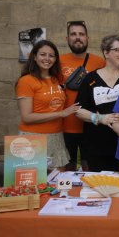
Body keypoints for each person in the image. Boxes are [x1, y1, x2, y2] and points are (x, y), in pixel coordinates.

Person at [75, 35, 119, 172]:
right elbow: (78, 110)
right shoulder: (90, 78)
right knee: (100, 186)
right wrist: (101, 118)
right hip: (97, 145)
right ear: (106, 52)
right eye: (118, 50)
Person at [16, 40, 81, 170]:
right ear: (34, 57)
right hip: (33, 138)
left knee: (57, 184)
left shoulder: (56, 79)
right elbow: (27, 117)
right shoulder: (26, 81)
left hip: (57, 137)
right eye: (43, 54)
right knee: (33, 186)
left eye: (51, 55)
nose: (47, 58)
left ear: (55, 59)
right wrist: (62, 113)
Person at [60, 21, 105, 171]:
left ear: (87, 38)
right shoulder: (58, 61)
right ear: (67, 39)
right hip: (65, 126)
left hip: (91, 125)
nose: (77, 37)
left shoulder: (99, 62)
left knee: (90, 167)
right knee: (68, 168)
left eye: (81, 34)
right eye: (73, 34)